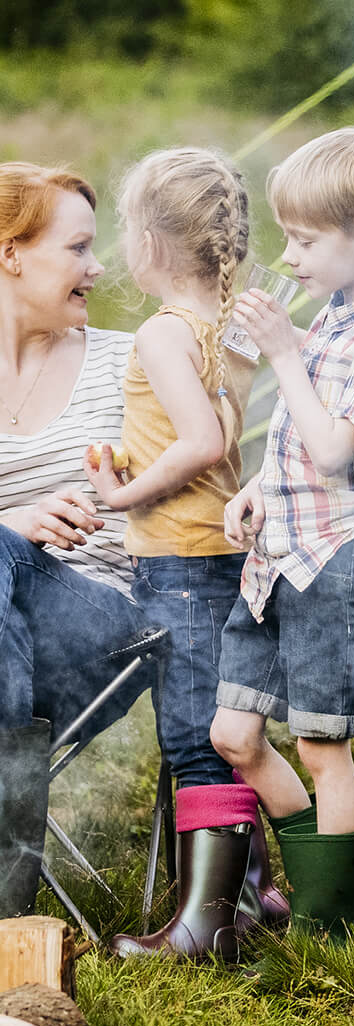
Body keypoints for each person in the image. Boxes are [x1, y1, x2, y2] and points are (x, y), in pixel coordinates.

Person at [210, 127, 354, 937]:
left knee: (321, 747)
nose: (289, 257)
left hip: (339, 562)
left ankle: (327, 923)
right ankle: (348, 901)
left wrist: (280, 355)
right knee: (234, 734)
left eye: (304, 239)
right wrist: (262, 486)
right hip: (281, 556)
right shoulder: (340, 314)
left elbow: (336, 449)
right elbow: (305, 438)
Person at [84, 148, 291, 959]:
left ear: (150, 242)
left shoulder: (166, 332)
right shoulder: (230, 325)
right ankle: (250, 892)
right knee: (214, 718)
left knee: (192, 737)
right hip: (219, 556)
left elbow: (202, 442)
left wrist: (123, 496)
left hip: (179, 559)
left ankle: (205, 930)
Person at [0, 163, 145, 916]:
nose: (98, 267)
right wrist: (13, 526)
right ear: (11, 253)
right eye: (79, 248)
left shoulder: (131, 363)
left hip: (99, 618)